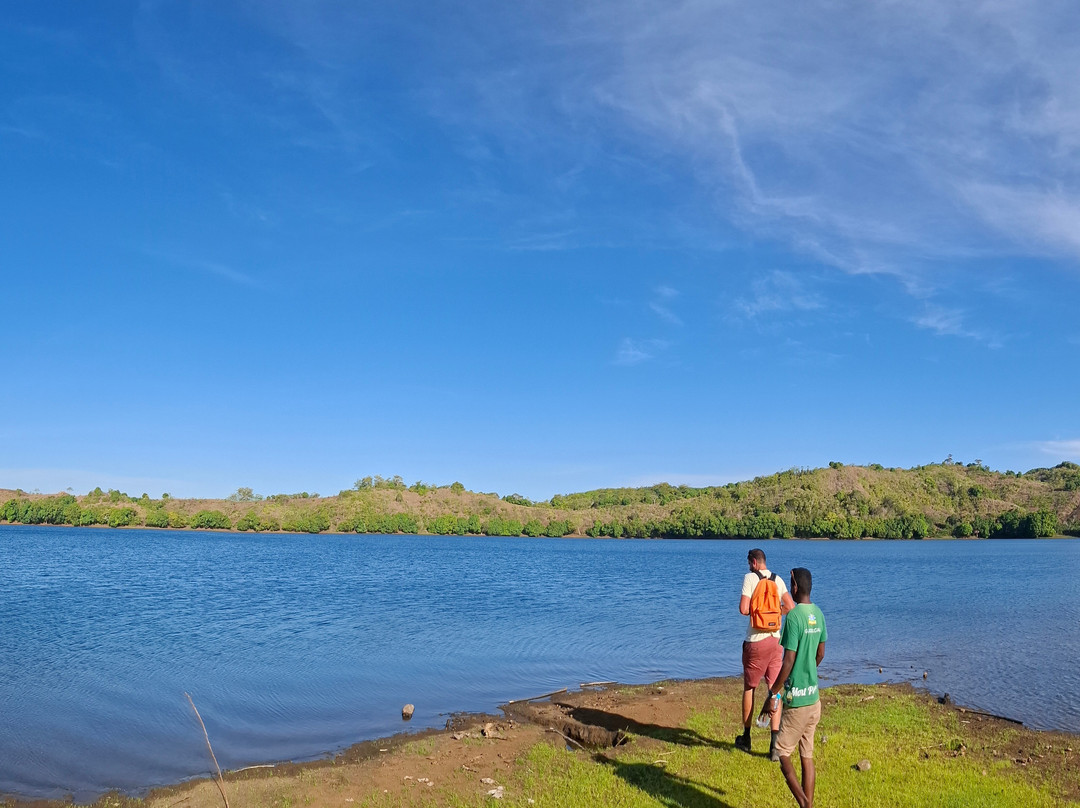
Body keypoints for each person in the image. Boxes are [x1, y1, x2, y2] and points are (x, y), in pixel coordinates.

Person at [763, 567, 827, 808]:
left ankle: (805, 804)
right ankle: (807, 802)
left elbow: (788, 660)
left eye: (791, 584)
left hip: (798, 701)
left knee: (782, 752)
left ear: (795, 587)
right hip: (814, 700)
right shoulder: (818, 614)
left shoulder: (794, 617)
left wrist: (773, 692)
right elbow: (820, 653)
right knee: (807, 755)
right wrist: (809, 668)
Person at [736, 548, 795, 758]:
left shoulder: (750, 578)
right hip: (776, 640)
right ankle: (774, 747)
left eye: (748, 563)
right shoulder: (778, 580)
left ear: (753, 562)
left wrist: (759, 612)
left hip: (756, 641)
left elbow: (743, 609)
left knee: (749, 688)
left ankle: (747, 737)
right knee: (774, 689)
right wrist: (774, 613)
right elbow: (790, 605)